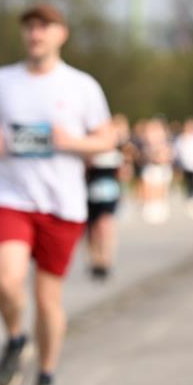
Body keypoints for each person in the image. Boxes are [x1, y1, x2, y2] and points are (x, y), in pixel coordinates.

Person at [0, 3, 115, 385]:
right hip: (11, 198)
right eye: (30, 27)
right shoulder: (1, 81)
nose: (36, 34)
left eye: (44, 27)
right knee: (7, 281)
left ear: (61, 34)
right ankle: (17, 338)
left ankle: (47, 377)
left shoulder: (81, 86)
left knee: (48, 301)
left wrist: (71, 142)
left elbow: (107, 137)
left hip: (62, 203)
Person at [84, 114, 129, 280]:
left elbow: (124, 173)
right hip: (90, 189)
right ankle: (94, 259)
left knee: (106, 225)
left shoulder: (119, 148)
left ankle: (106, 259)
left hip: (110, 190)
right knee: (91, 228)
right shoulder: (88, 146)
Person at [138, 118, 174, 223]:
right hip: (151, 167)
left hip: (161, 168)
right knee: (149, 186)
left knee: (160, 187)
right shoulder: (146, 145)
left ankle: (159, 206)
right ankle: (149, 205)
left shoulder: (165, 144)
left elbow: (165, 157)